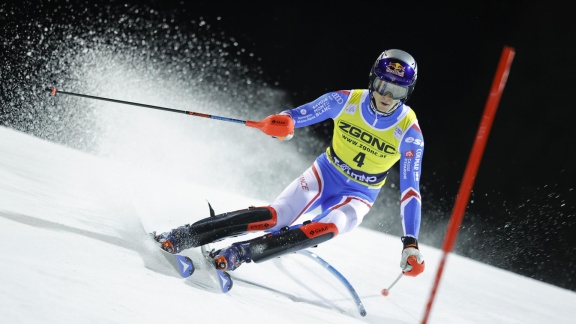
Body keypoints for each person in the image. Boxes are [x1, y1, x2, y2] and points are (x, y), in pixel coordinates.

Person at [154, 49, 425, 277]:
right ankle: (184, 235)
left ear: (408, 92)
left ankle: (240, 253)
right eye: (381, 85)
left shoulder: (409, 131)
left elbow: (410, 191)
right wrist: (283, 122)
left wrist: (410, 242)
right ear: (372, 80)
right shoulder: (345, 100)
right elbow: (298, 115)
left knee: (327, 227)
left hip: (360, 195)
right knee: (276, 216)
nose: (386, 96)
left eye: (396, 90)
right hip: (325, 174)